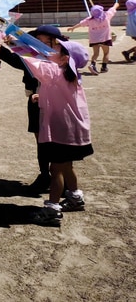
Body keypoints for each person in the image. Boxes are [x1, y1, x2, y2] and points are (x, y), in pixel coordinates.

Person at [19, 40, 93, 226]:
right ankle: (75, 198)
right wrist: (40, 96)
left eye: (56, 49)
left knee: (56, 169)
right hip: (71, 130)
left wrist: (15, 42)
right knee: (66, 166)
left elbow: (29, 59)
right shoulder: (67, 75)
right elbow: (58, 94)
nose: (51, 50)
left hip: (61, 130)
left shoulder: (54, 72)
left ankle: (52, 209)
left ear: (65, 58)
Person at [0, 24, 68, 192]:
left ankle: (64, 178)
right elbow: (17, 61)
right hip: (35, 101)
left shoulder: (63, 58)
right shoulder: (31, 57)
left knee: (59, 142)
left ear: (56, 42)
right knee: (41, 140)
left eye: (45, 41)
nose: (40, 44)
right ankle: (44, 174)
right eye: (37, 40)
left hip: (57, 104)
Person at [67, 2, 119, 74]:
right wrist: (116, 4)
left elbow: (81, 24)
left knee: (95, 54)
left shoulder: (89, 20)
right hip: (105, 38)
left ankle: (92, 64)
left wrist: (73, 28)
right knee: (106, 53)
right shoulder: (107, 16)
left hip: (94, 39)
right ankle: (104, 67)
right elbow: (112, 9)